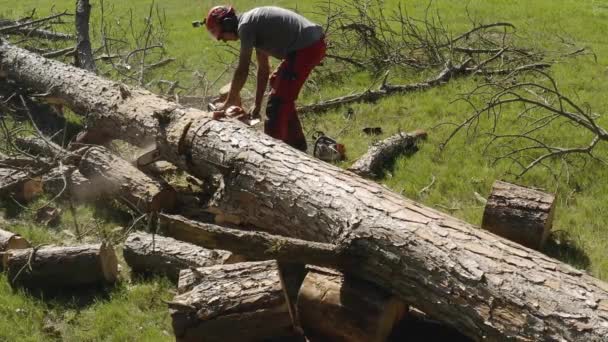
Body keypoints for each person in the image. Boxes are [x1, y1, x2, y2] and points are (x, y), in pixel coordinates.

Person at [204, 5, 326, 152]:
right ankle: (297, 146)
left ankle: (274, 155)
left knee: (276, 104)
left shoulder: (246, 27)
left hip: (306, 47)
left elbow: (242, 69)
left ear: (228, 23)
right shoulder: (252, 24)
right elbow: (263, 70)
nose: (222, 39)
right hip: (307, 46)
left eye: (220, 34)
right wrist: (257, 104)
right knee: (277, 85)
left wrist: (227, 103)